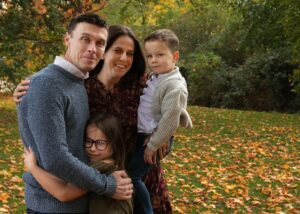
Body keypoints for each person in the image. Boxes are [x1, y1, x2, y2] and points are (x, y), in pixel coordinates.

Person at [15, 24, 173, 213]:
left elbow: (168, 117)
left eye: (130, 53)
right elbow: (52, 86)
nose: (124, 58)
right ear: (104, 53)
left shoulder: (144, 86)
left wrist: (164, 139)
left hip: (141, 176)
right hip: (98, 177)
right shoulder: (84, 86)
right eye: (117, 50)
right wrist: (24, 90)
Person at [128, 29, 193, 213]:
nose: (153, 60)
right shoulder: (157, 76)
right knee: (136, 174)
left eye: (160, 55)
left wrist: (153, 145)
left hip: (154, 139)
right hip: (146, 136)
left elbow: (170, 120)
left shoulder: (175, 84)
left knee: (133, 175)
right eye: (149, 56)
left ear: (175, 56)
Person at [24, 113, 133, 214]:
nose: (93, 148)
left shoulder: (100, 168)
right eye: (88, 141)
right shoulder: (115, 166)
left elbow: (63, 193)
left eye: (100, 143)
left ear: (114, 145)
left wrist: (33, 167)